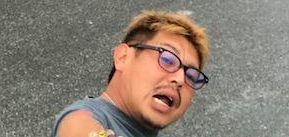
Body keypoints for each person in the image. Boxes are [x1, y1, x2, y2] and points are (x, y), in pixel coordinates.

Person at [52, 10, 209, 137]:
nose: (180, 79)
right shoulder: (82, 119)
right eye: (168, 59)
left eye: (191, 76)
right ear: (123, 57)